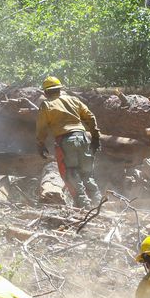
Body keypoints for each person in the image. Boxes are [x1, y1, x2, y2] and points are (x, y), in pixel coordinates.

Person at [35, 76, 101, 207]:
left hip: (65, 141)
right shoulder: (74, 100)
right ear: (60, 89)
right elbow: (90, 117)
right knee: (87, 173)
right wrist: (95, 136)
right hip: (82, 138)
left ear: (46, 92)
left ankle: (83, 205)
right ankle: (98, 202)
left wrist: (40, 144)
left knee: (71, 172)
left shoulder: (46, 105)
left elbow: (41, 127)